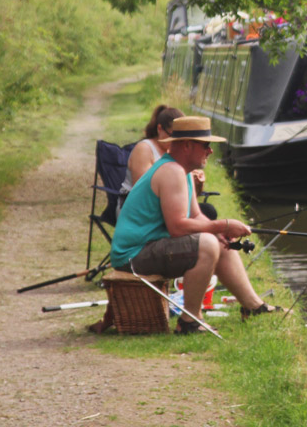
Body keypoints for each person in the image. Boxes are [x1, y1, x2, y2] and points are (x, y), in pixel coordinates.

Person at [110, 114, 277, 332]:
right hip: (132, 256)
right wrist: (224, 225)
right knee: (207, 244)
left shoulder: (182, 171)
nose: (210, 151)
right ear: (187, 145)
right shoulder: (171, 172)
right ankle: (190, 320)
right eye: (205, 145)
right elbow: (177, 226)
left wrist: (221, 232)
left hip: (146, 248)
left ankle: (254, 307)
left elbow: (196, 215)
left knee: (217, 241)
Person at [116, 105, 217, 220]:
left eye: (181, 140)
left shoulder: (174, 154)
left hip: (164, 204)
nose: (177, 142)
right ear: (159, 129)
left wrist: (194, 183)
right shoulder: (144, 149)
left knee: (208, 211)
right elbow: (144, 190)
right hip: (138, 210)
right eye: (173, 136)